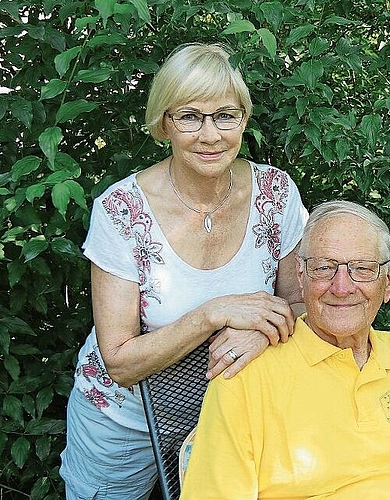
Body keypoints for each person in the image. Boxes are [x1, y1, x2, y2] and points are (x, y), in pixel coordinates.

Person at [59, 42, 308, 499]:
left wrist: (262, 331)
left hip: (237, 411)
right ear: (163, 124)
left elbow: (300, 303)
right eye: (190, 116)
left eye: (225, 115)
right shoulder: (121, 210)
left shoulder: (276, 194)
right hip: (122, 420)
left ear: (244, 119)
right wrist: (212, 314)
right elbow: (119, 362)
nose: (210, 135)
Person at [180, 200, 390, 500]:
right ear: (300, 276)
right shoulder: (245, 375)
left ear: (388, 281)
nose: (342, 287)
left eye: (362, 269)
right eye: (325, 268)